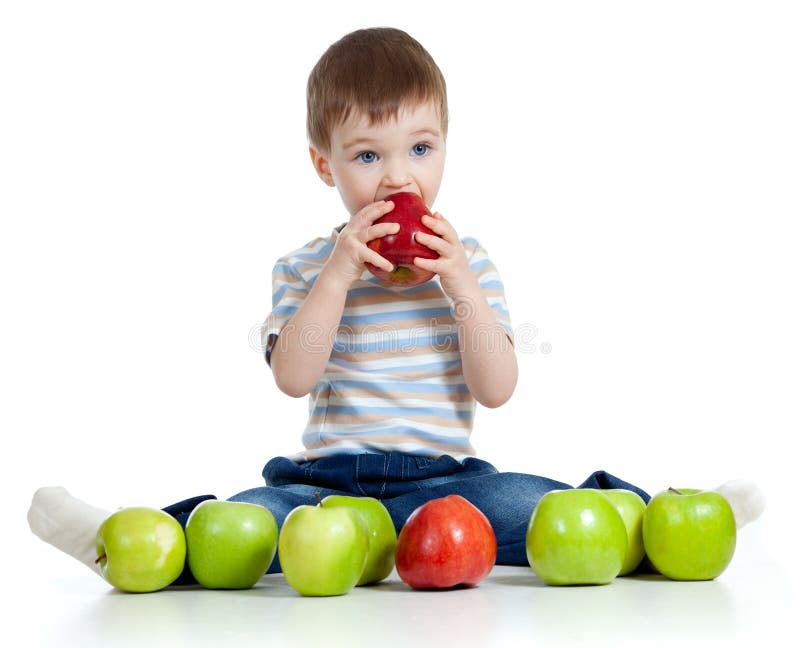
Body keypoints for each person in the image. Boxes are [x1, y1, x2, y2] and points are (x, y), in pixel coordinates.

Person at [28, 27, 764, 580]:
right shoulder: (307, 266)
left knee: (542, 509)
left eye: (420, 149)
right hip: (324, 486)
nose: (396, 177)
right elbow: (293, 376)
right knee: (247, 525)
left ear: (445, 148)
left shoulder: (466, 261)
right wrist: (341, 275)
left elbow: (499, 390)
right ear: (326, 164)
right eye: (368, 155)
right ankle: (117, 538)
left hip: (445, 484)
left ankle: (685, 518)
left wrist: (463, 291)